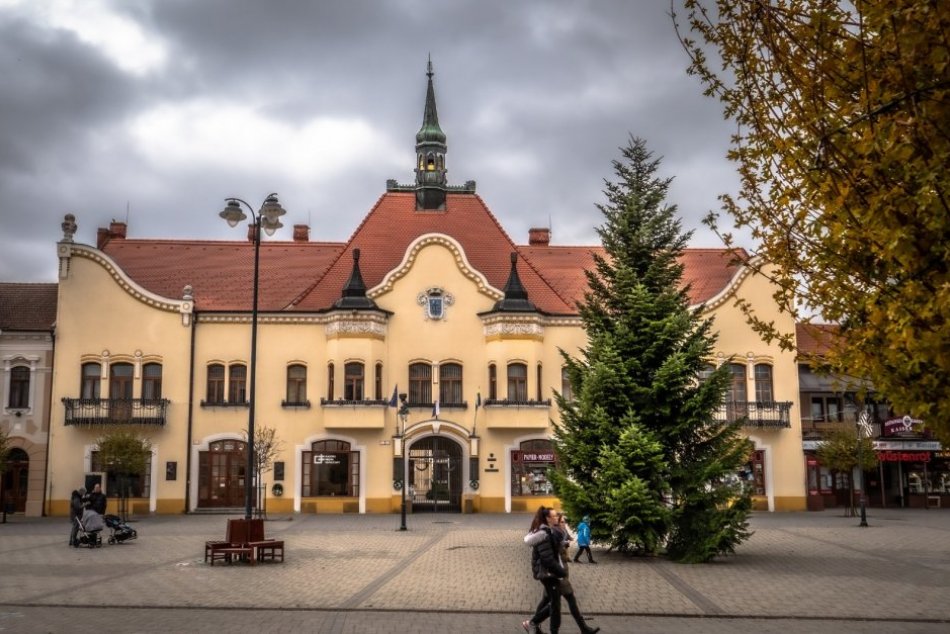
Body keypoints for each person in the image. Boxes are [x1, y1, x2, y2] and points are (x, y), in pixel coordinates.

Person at [522, 506, 566, 634]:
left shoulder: (549, 531)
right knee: (555, 605)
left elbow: (550, 551)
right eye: (554, 516)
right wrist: (561, 572)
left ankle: (533, 623)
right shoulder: (544, 534)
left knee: (553, 603)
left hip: (548, 573)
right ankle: (533, 623)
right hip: (547, 573)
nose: (557, 517)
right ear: (548, 518)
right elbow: (547, 559)